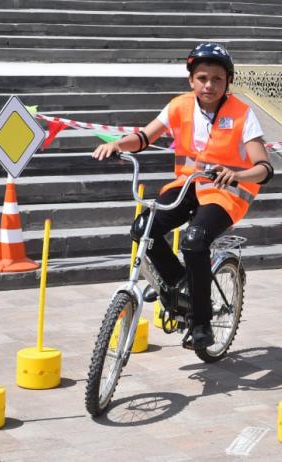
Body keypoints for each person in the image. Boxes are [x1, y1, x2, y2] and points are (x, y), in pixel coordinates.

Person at [92, 43, 272, 348]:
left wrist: (238, 175)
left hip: (225, 194)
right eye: (202, 78)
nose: (209, 85)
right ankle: (179, 284)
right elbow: (145, 137)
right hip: (187, 186)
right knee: (142, 229)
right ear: (191, 80)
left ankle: (202, 323)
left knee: (195, 240)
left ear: (228, 82)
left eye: (217, 79)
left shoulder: (242, 114)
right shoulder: (179, 106)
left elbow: (264, 168)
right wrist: (118, 145)